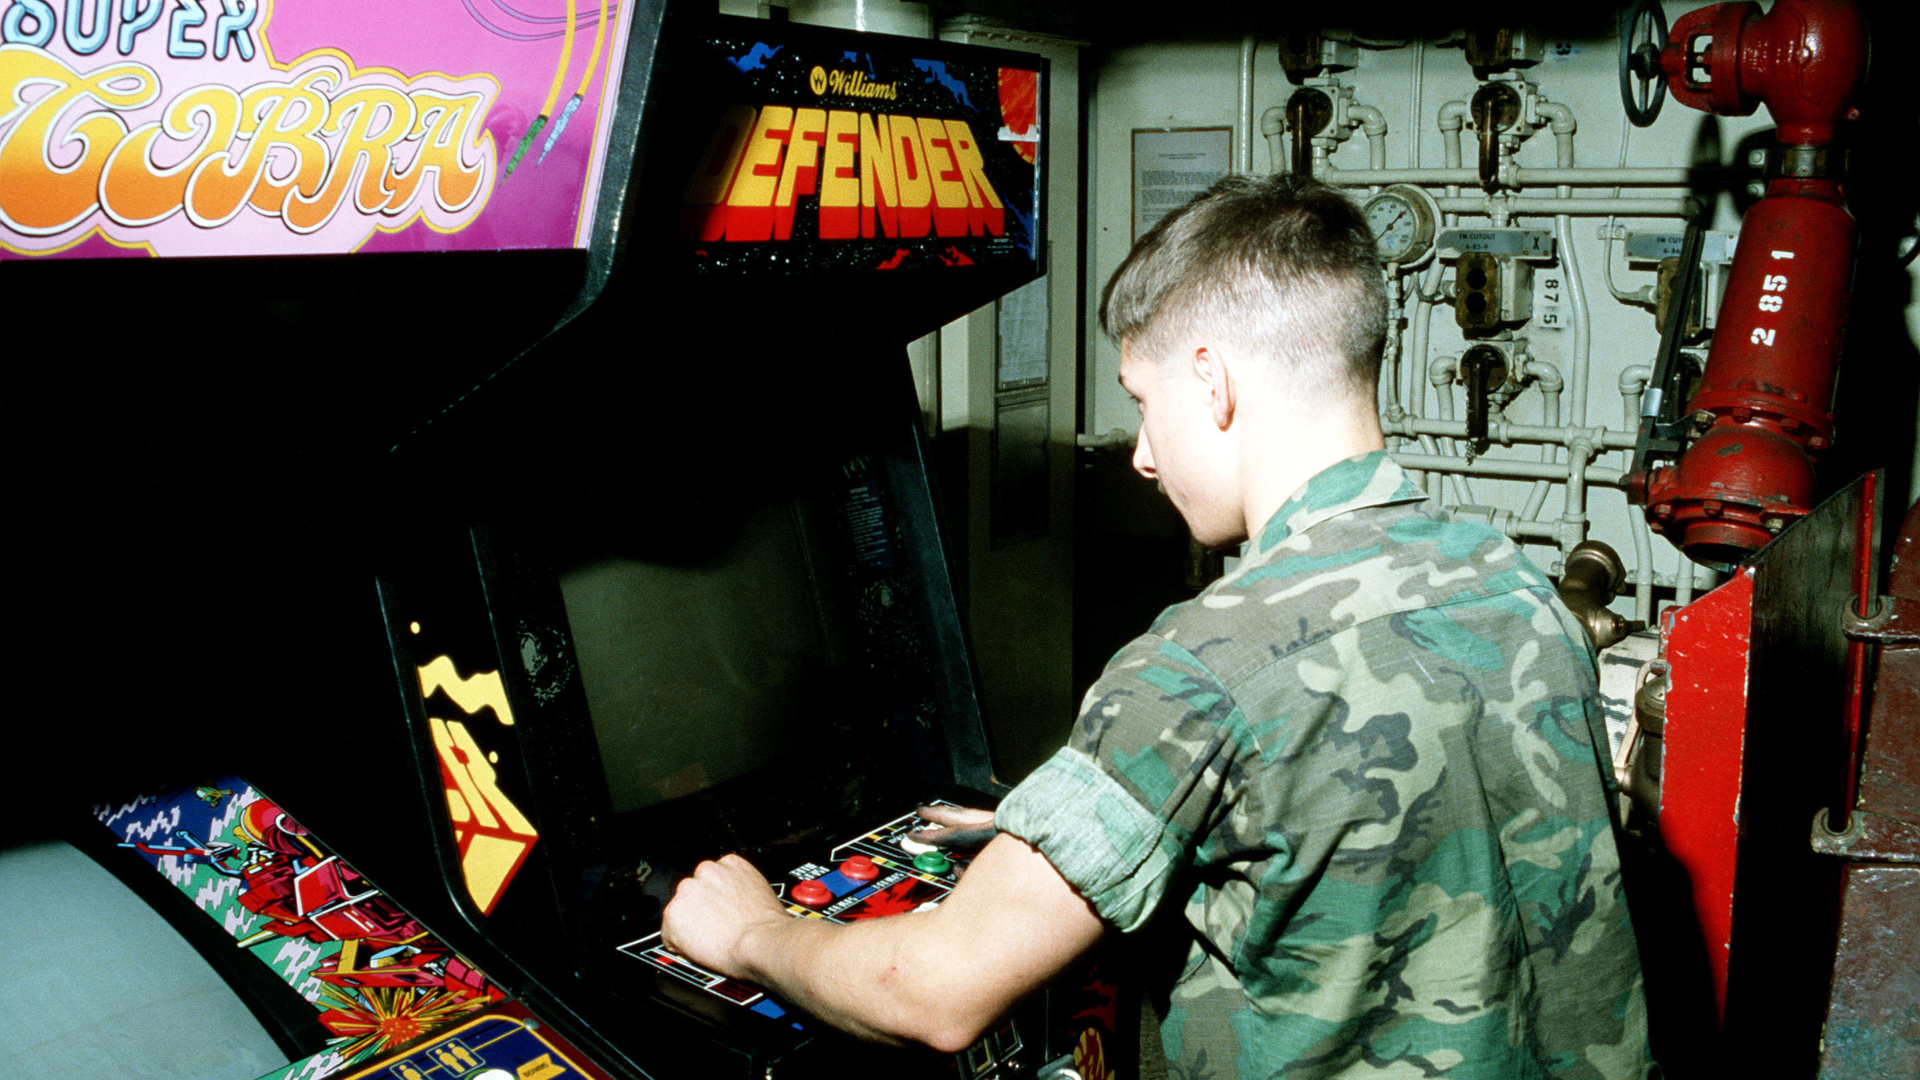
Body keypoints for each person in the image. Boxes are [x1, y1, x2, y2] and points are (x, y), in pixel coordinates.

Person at [662, 173, 1650, 1078]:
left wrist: (752, 932)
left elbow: (932, 992)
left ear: (1213, 384)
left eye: (1143, 401)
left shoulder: (1203, 668)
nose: (1138, 453)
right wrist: (1053, 825)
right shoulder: (1507, 579)